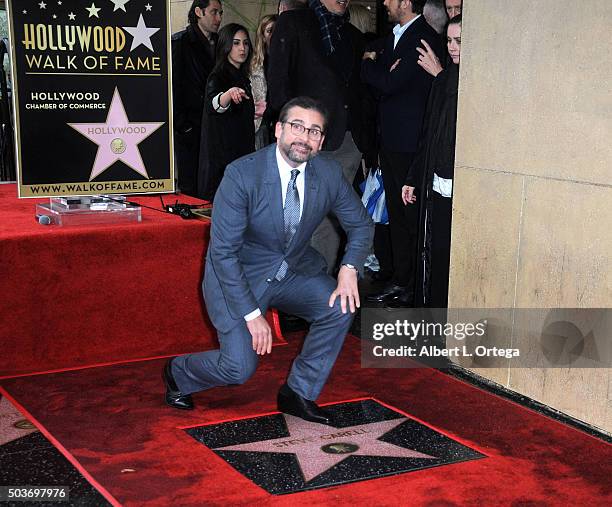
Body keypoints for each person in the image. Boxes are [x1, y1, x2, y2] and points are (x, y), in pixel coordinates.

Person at [163, 97, 374, 423]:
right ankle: (179, 373)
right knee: (237, 368)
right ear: (278, 130)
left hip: (292, 273)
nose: (305, 137)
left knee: (340, 304)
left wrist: (349, 269)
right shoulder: (241, 175)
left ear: (321, 140)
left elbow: (360, 224)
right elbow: (223, 253)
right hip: (237, 277)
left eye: (314, 131)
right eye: (297, 127)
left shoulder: (328, 173)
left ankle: (299, 392)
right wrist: (252, 314)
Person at [268, 0, 376, 275]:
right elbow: (279, 87)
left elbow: (359, 91)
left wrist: (365, 140)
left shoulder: (353, 36)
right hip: (305, 142)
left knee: (329, 222)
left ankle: (318, 291)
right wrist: (296, 133)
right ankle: (288, 287)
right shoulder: (292, 23)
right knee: (299, 217)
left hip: (347, 143)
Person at [361, 0, 443, 308]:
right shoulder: (397, 36)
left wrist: (369, 63)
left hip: (410, 145)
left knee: (409, 217)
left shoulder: (421, 37)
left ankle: (408, 285)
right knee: (396, 214)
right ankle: (399, 278)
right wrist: (381, 67)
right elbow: (386, 81)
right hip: (393, 141)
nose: (384, 3)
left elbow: (388, 82)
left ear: (406, 3)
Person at [402, 15, 461, 307]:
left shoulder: (466, 82)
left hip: (460, 185)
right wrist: (413, 177)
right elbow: (428, 133)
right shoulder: (444, 80)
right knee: (435, 253)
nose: (452, 47)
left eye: (459, 41)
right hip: (435, 180)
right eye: (449, 40)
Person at [198, 24, 255, 201]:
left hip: (240, 157)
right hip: (223, 162)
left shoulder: (243, 76)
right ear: (225, 46)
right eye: (236, 43)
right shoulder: (218, 76)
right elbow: (214, 104)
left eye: (245, 43)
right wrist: (228, 95)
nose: (242, 48)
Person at [172, 0, 223, 197]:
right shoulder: (180, 42)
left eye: (220, 13)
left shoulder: (221, 42)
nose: (218, 18)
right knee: (191, 187)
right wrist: (183, 125)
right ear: (198, 12)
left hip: (215, 126)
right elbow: (174, 87)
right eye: (214, 12)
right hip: (191, 129)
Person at [250, 14, 278, 150]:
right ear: (262, 35)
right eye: (269, 31)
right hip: (260, 123)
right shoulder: (254, 63)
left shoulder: (287, 61)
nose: (274, 35)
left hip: (280, 120)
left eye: (277, 31)